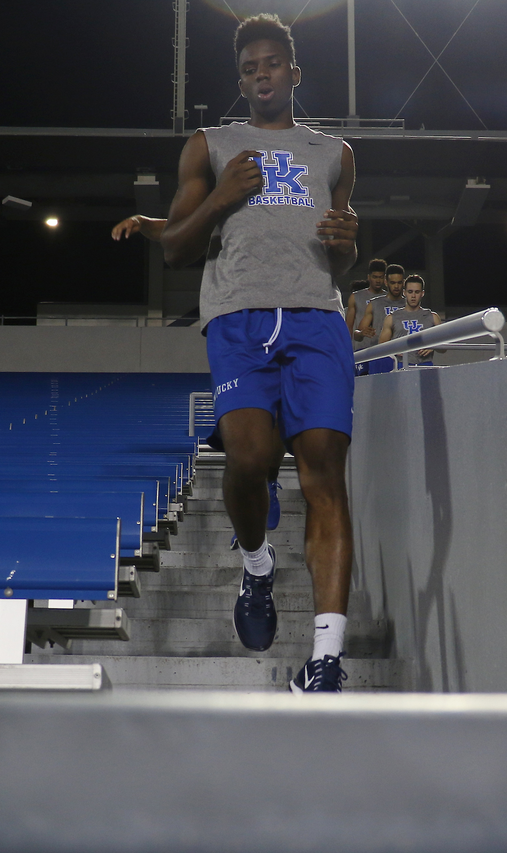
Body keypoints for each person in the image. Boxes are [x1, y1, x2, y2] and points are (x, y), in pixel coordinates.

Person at [159, 13, 358, 693]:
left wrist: (346, 245)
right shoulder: (209, 145)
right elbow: (174, 247)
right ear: (241, 80)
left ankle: (327, 660)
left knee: (325, 474)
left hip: (317, 319)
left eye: (271, 63)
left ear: (293, 73)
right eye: (248, 68)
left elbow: (344, 263)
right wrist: (220, 196)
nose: (260, 75)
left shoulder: (334, 153)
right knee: (248, 457)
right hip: (239, 318)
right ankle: (256, 564)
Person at [112, 212, 283, 532]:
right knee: (245, 427)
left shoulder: (285, 217)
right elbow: (177, 227)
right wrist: (142, 222)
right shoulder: (227, 211)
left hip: (282, 319)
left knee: (280, 417)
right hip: (235, 325)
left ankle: (269, 482)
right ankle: (252, 510)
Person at [378, 274, 441, 367]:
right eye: (410, 292)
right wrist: (393, 349)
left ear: (422, 293)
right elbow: (381, 347)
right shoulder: (392, 317)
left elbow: (444, 347)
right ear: (404, 292)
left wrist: (433, 346)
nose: (413, 296)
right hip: (400, 365)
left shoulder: (432, 317)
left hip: (425, 365)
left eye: (417, 292)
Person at [357, 263, 407, 374]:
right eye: (393, 283)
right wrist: (362, 333)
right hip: (379, 357)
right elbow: (357, 334)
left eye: (399, 283)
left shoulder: (409, 304)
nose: (396, 286)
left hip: (404, 357)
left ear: (403, 282)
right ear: (386, 282)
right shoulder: (375, 304)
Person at [344, 259, 387, 349]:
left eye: (381, 277)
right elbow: (349, 326)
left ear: (385, 278)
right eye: (375, 277)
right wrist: (346, 348)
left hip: (382, 348)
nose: (378, 280)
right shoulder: (356, 297)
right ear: (369, 277)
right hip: (360, 348)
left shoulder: (388, 298)